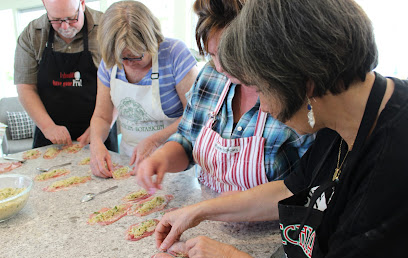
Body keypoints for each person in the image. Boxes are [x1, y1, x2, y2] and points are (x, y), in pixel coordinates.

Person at [153, 0, 408, 258]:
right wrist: (198, 211)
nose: (262, 106)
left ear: (304, 82)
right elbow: (290, 189)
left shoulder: (392, 167)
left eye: (260, 89)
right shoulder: (342, 114)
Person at [136, 0, 314, 193]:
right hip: (205, 215)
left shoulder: (293, 95)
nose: (220, 67)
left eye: (230, 55)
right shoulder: (210, 76)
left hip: (271, 222)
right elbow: (188, 140)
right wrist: (162, 158)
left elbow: (307, 184)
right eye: (212, 55)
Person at [89, 1, 199, 178]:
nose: (129, 64)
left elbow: (195, 115)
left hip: (175, 164)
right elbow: (102, 116)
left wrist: (155, 140)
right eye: (122, 58)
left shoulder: (175, 54)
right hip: (129, 162)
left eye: (136, 56)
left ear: (152, 41)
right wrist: (96, 144)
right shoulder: (109, 63)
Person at [14, 0, 118, 151]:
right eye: (56, 20)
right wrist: (48, 127)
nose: (65, 26)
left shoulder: (107, 28)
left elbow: (118, 85)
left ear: (82, 3)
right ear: (44, 5)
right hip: (49, 133)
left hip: (100, 130)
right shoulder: (32, 34)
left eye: (72, 18)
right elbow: (25, 87)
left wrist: (103, 125)